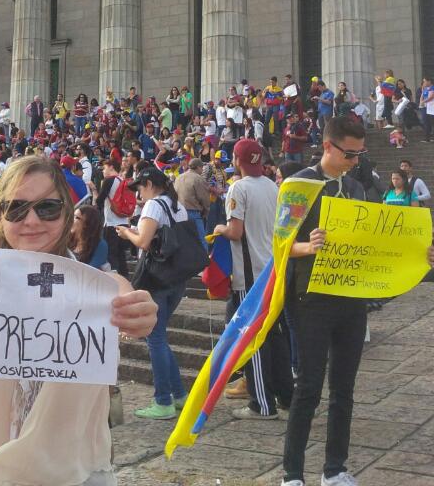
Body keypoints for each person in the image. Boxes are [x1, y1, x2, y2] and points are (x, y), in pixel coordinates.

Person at [0, 156, 156, 484]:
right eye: (16, 208)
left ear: (67, 213)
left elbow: (130, 301)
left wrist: (143, 314)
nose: (32, 220)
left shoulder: (98, 286)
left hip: (67, 469)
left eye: (47, 208)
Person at [280, 116, 434, 486]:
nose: (355, 161)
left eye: (360, 154)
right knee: (309, 387)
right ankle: (292, 473)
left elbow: (375, 238)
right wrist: (307, 245)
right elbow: (280, 246)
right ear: (328, 146)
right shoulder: (298, 184)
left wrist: (416, 254)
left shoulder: (355, 185)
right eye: (350, 154)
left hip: (351, 297)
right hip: (311, 298)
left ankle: (334, 468)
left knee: (344, 388)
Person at [214, 139, 293, 420]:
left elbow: (236, 232)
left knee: (250, 338)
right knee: (275, 335)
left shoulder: (238, 188)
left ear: (237, 160)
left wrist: (220, 228)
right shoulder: (272, 185)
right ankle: (287, 396)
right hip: (271, 268)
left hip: (248, 274)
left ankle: (262, 402)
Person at [116, 166, 189, 420]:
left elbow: (144, 242)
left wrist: (127, 232)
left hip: (156, 278)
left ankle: (163, 401)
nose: (139, 194)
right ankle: (179, 395)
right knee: (160, 338)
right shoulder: (175, 204)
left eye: (139, 188)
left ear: (148, 184)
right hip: (176, 277)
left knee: (155, 339)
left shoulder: (154, 205)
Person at [174, 158, 210, 243]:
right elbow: (204, 199)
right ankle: (203, 257)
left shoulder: (178, 177)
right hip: (193, 214)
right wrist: (205, 213)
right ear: (198, 167)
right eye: (202, 168)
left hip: (179, 213)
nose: (202, 170)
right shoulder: (198, 179)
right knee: (201, 242)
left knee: (183, 242)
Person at [71, 204, 108, 269]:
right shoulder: (66, 239)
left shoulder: (100, 245)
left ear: (87, 223)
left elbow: (91, 270)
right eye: (72, 216)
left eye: (76, 217)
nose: (71, 220)